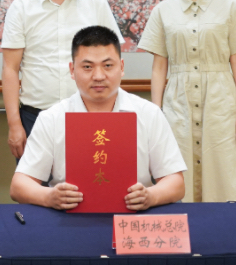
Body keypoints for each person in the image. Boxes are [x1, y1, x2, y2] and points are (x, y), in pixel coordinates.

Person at [138, 0, 236, 203]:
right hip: (177, 103)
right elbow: (159, 66)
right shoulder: (163, 10)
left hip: (220, 102)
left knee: (226, 170)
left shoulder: (230, 6)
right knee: (176, 168)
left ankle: (226, 228)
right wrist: (156, 112)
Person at [10, 26, 186, 211]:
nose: (99, 76)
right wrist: (49, 196)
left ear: (122, 67)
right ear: (72, 70)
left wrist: (150, 196)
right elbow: (19, 185)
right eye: (87, 67)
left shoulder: (149, 113)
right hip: (69, 217)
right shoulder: (51, 118)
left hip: (134, 216)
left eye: (108, 66)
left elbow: (175, 182)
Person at [1, 0, 123, 159]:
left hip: (89, 114)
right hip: (35, 117)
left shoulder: (96, 4)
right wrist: (14, 124)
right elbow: (10, 68)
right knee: (36, 181)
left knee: (91, 178)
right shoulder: (21, 8)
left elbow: (113, 62)